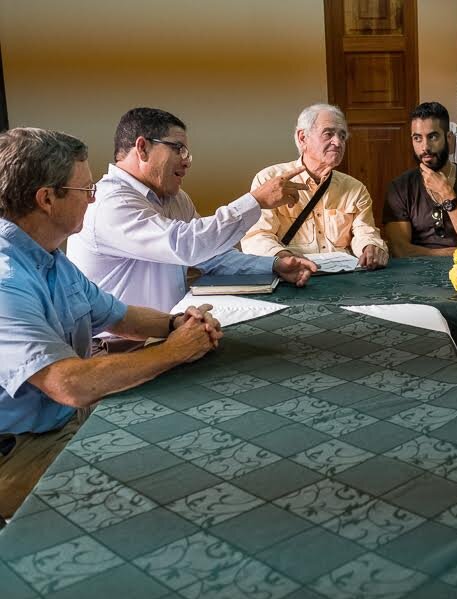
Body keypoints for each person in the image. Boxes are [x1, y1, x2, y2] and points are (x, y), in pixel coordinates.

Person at [0, 128, 223, 518]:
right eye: (86, 191)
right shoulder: (6, 278)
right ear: (47, 198)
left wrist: (174, 324)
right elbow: (68, 384)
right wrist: (174, 351)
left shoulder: (50, 257)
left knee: (183, 439)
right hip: (17, 449)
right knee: (160, 492)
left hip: (64, 420)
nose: (94, 198)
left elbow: (120, 316)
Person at [66, 107, 317, 313]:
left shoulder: (174, 198)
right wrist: (255, 201)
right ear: (142, 148)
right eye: (178, 149)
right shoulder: (108, 203)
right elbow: (185, 246)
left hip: (169, 335)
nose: (186, 161)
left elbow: (211, 255)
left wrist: (273, 266)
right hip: (119, 349)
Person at [240, 104, 388, 269]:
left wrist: (370, 247)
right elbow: (256, 237)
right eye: (328, 134)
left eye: (342, 135)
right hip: (292, 276)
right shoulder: (270, 180)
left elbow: (365, 232)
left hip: (344, 280)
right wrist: (283, 258)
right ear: (303, 138)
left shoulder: (355, 188)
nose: (338, 142)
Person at [383, 101, 457, 256]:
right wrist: (453, 254)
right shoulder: (399, 187)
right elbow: (400, 250)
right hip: (416, 274)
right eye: (417, 138)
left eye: (432, 137)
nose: (425, 147)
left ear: (448, 138)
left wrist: (447, 194)